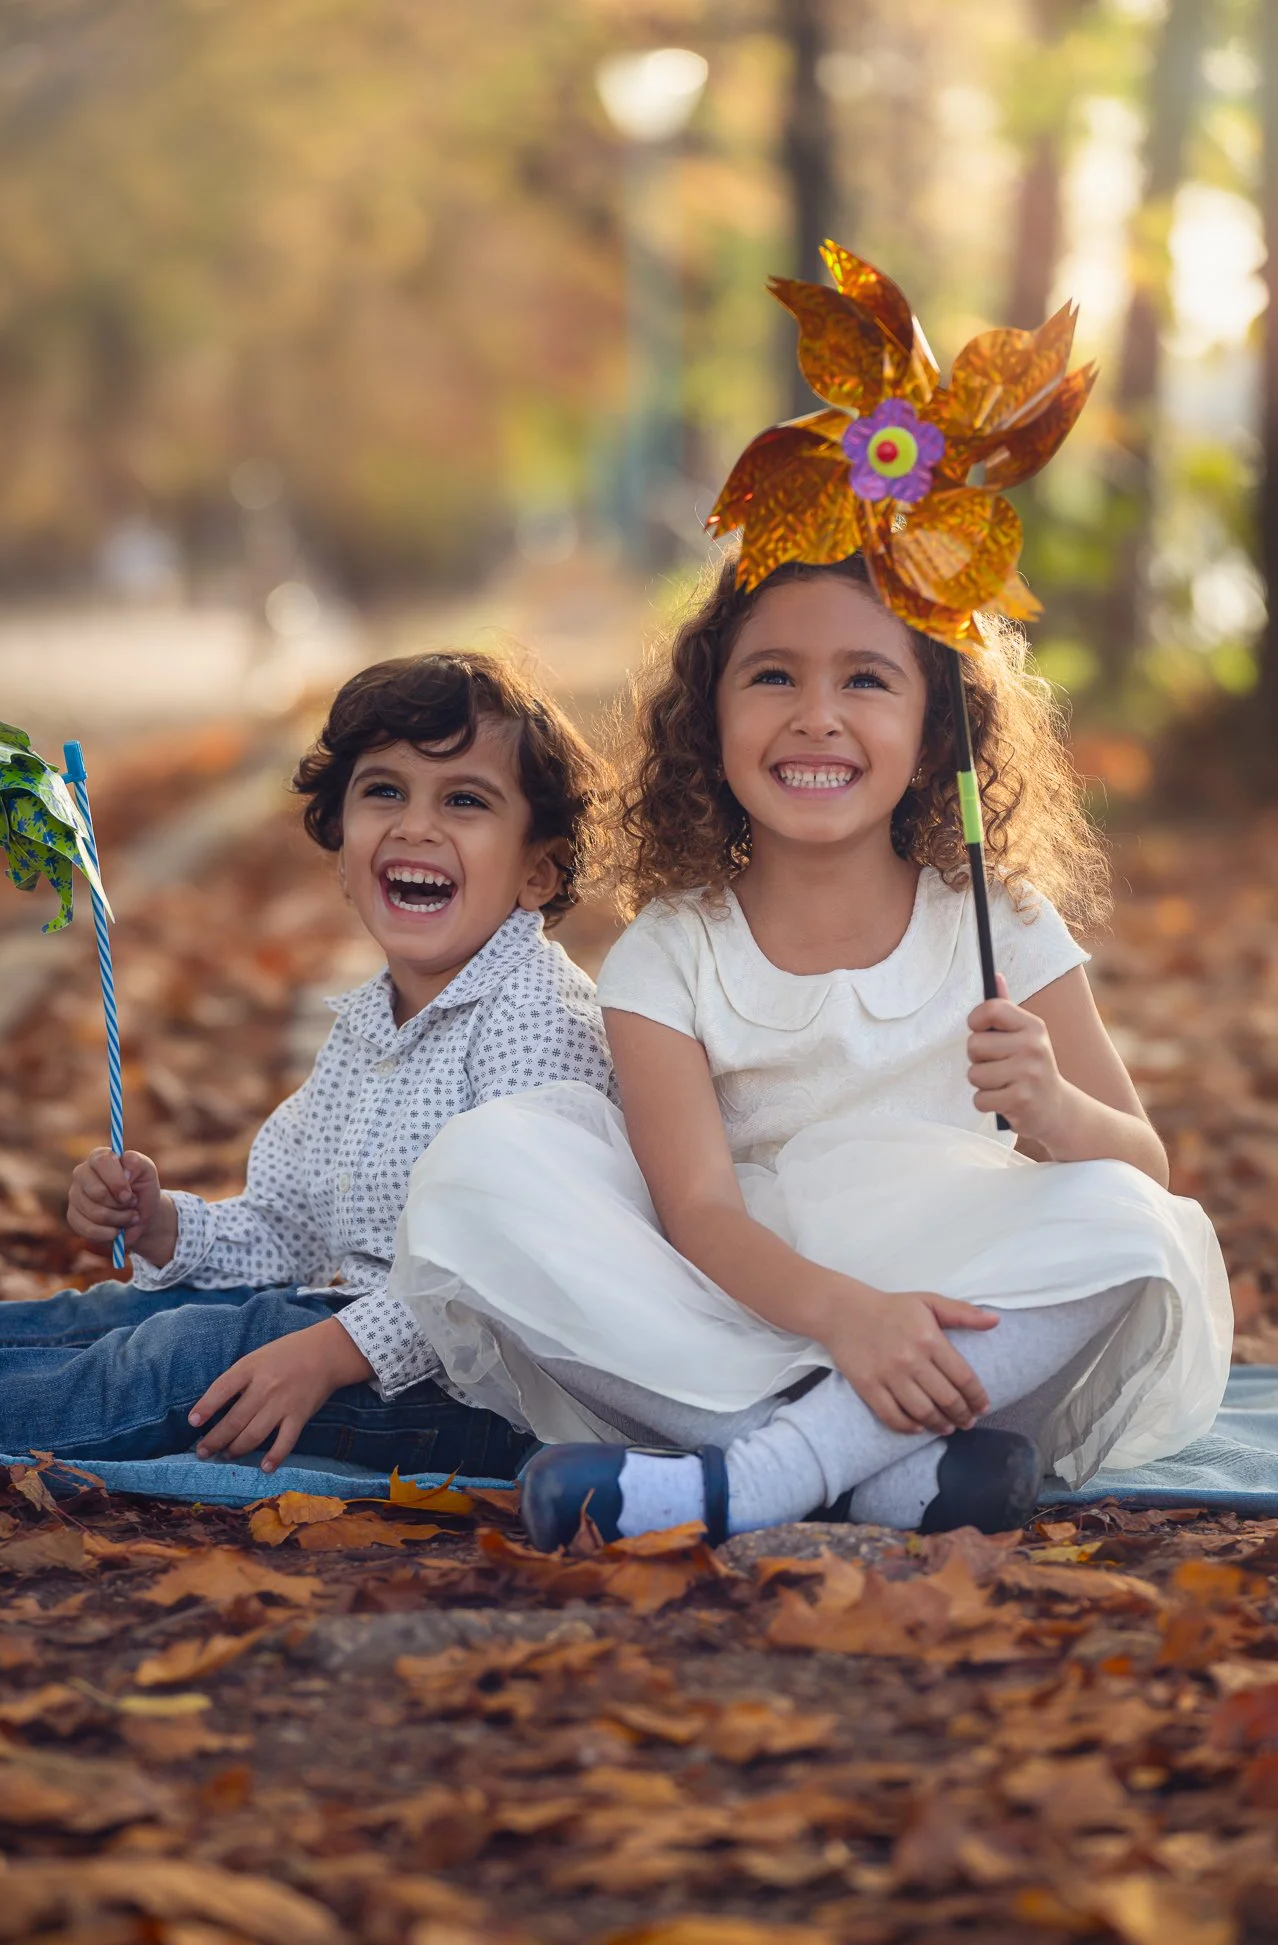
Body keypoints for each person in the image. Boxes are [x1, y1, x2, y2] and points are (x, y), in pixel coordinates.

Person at [393, 553, 1232, 1544]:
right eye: (774, 675)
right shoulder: (672, 945)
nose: (816, 714)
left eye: (866, 678)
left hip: (948, 1318)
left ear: (934, 730)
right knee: (482, 1162)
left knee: (1127, 1219)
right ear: (709, 719)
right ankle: (881, 1471)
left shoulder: (996, 920)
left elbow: (1142, 1162)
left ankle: (759, 1474)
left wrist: (1053, 1106)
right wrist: (843, 1316)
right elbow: (698, 1210)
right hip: (736, 1311)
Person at [0, 651, 613, 1480]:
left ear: (538, 868)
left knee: (181, 1358)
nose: (416, 825)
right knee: (104, 1313)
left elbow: (514, 1269)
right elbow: (287, 1229)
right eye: (383, 791)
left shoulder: (536, 1020)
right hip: (341, 1330)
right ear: (343, 842)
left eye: (465, 800)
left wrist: (329, 1350)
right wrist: (163, 1226)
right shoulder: (373, 1024)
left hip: (481, 1396)